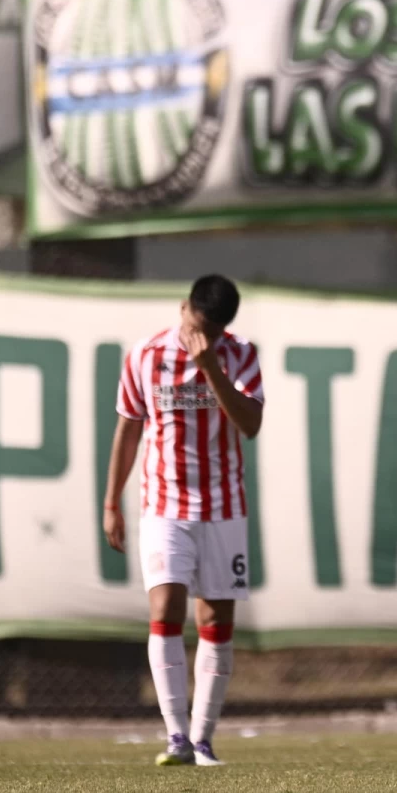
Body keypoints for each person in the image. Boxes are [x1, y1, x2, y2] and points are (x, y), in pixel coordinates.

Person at [102, 275, 264, 767]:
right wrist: (111, 501)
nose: (203, 337)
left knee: (215, 619)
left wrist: (209, 367)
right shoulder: (145, 356)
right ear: (183, 309)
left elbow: (251, 424)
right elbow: (128, 430)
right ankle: (175, 737)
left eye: (213, 332)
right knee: (167, 605)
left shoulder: (240, 355)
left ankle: (203, 739)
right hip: (165, 505)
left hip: (223, 506)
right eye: (198, 325)